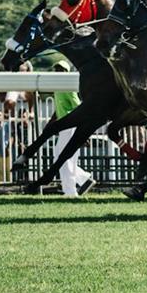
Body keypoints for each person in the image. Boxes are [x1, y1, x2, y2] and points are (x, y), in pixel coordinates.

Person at [50, 60, 95, 196]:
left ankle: (70, 191)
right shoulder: (58, 86)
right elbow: (59, 108)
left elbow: (78, 107)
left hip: (71, 125)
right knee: (60, 157)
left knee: (64, 158)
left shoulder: (67, 86)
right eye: (56, 69)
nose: (58, 71)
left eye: (61, 69)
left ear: (66, 72)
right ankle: (84, 179)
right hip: (66, 126)